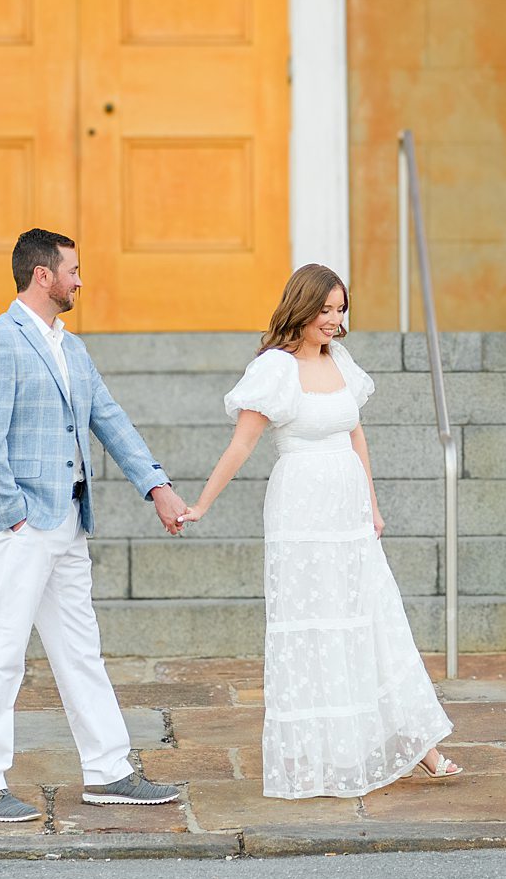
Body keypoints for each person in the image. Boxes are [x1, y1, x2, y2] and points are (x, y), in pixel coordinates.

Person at [181, 263, 459, 799]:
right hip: (301, 511)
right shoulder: (275, 370)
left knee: (372, 616)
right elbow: (242, 445)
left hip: (348, 507)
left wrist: (373, 508)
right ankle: (315, 757)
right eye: (325, 310)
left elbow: (358, 438)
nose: (334, 320)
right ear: (301, 308)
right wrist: (200, 504)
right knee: (313, 625)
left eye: (340, 309)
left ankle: (421, 744)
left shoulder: (342, 361)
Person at [0, 228, 191, 822]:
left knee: (81, 650)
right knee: (4, 649)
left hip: (69, 523)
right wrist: (15, 516)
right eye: (74, 271)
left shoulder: (73, 348)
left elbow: (110, 421)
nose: (80, 281)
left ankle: (109, 771)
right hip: (24, 524)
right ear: (43, 275)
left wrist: (156, 487)